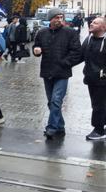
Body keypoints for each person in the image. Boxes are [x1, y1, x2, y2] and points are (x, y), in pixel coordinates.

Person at [33, 8, 82, 139]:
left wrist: (64, 63)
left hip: (62, 73)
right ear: (50, 18)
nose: (59, 20)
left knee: (56, 100)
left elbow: (77, 53)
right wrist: (36, 51)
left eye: (61, 17)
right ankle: (60, 126)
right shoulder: (42, 32)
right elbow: (36, 47)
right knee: (51, 102)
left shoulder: (70, 33)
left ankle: (51, 128)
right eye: (56, 17)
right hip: (47, 72)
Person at [79, 17, 106, 140]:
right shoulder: (89, 39)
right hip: (91, 78)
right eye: (92, 22)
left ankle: (99, 130)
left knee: (98, 105)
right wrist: (64, 63)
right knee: (98, 104)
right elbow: (80, 56)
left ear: (103, 27)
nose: (91, 23)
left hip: (102, 79)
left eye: (95, 23)